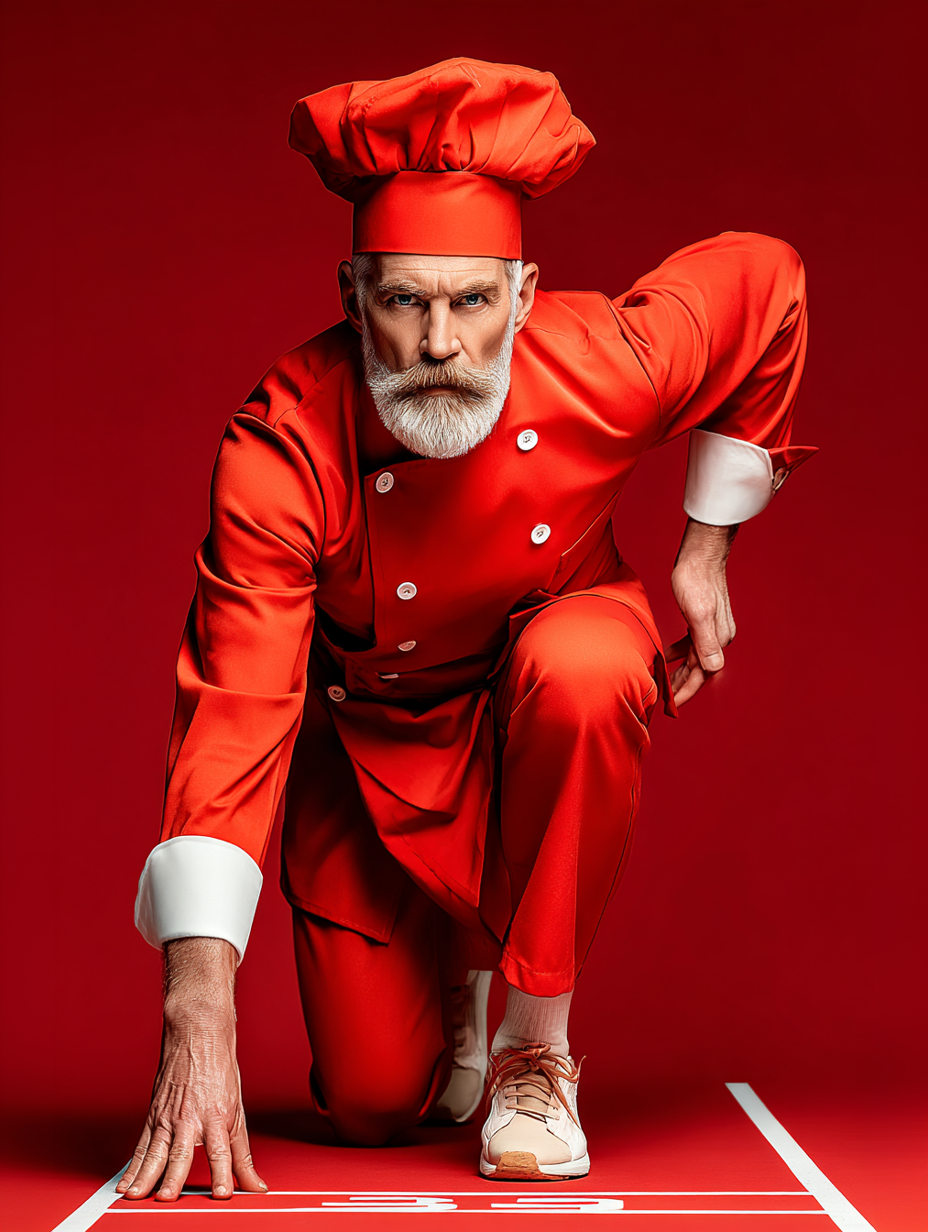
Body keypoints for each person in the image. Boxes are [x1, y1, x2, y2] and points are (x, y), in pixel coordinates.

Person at [119, 57, 815, 1202]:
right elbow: (238, 702)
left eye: (472, 300)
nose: (442, 341)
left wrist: (705, 546)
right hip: (369, 755)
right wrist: (196, 996)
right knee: (371, 1104)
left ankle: (535, 1050)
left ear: (526, 294)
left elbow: (768, 282)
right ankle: (457, 965)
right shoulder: (281, 446)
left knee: (589, 662)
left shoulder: (603, 360)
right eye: (405, 301)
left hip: (544, 683)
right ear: (353, 296)